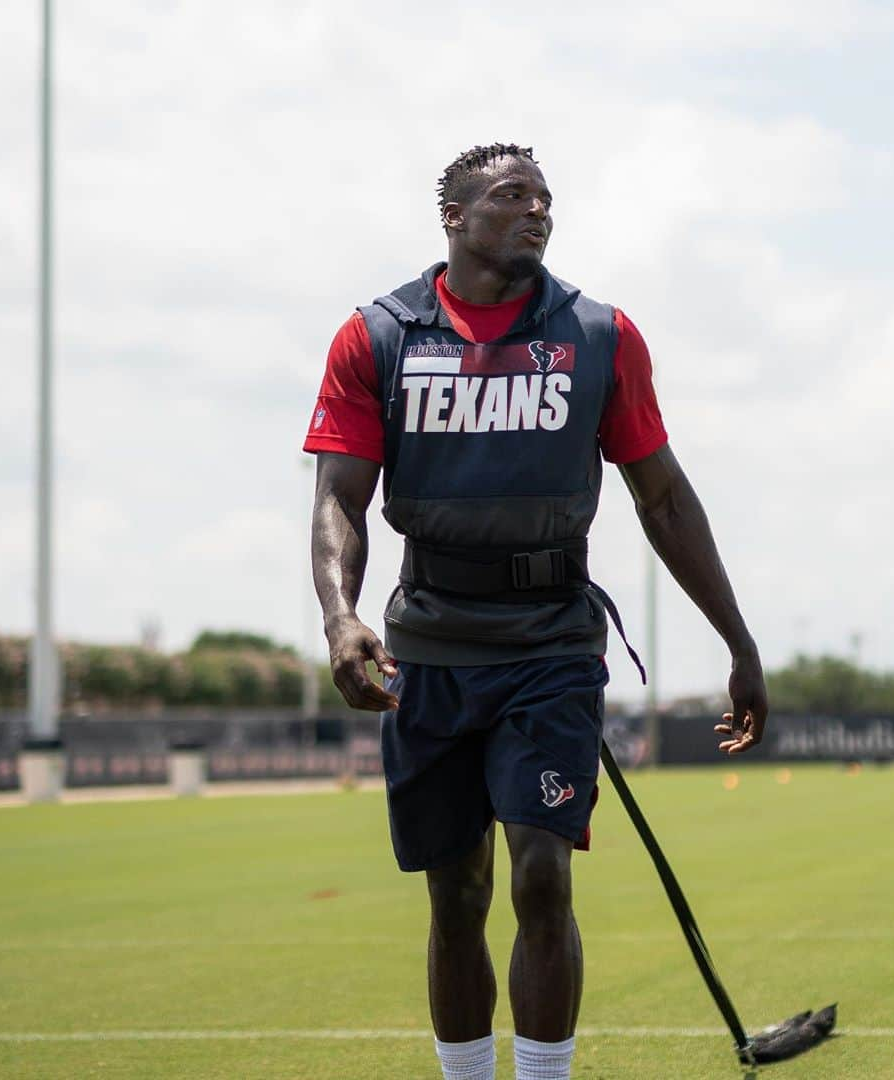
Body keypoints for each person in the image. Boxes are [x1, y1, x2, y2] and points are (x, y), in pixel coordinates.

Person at [304, 143, 768, 1080]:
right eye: (512, 196)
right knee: (456, 892)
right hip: (428, 646)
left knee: (542, 877)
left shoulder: (599, 336)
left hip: (551, 645)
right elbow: (338, 501)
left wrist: (739, 641)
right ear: (454, 216)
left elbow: (665, 499)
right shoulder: (378, 336)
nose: (537, 211)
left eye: (546, 199)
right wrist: (339, 616)